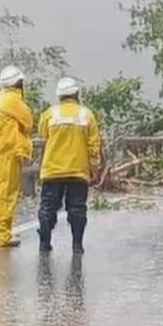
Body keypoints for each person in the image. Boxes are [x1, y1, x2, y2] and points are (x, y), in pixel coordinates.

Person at [36, 77, 102, 254]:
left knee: (48, 207)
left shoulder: (49, 114)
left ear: (59, 96)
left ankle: (44, 243)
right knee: (77, 209)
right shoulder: (86, 115)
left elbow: (42, 138)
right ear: (76, 94)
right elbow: (93, 146)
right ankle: (77, 245)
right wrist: (94, 168)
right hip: (78, 171)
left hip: (52, 170)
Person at [0, 65, 34, 248]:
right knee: (6, 195)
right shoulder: (12, 100)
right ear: (19, 83)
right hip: (7, 153)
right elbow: (29, 122)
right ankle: (1, 236)